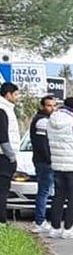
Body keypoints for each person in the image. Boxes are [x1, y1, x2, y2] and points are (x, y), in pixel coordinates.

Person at [45, 97, 73, 239]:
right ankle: (68, 229)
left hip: (57, 164)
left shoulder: (51, 120)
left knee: (58, 197)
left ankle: (55, 228)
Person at [28, 95, 57, 233]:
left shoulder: (43, 120)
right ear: (42, 106)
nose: (52, 108)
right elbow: (42, 144)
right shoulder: (42, 122)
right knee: (44, 191)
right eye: (49, 105)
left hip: (43, 161)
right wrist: (50, 160)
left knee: (45, 190)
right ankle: (40, 221)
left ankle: (41, 219)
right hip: (44, 162)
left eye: (53, 105)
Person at [0, 83, 19, 224]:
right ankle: (2, 221)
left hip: (4, 156)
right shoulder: (3, 110)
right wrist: (11, 157)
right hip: (3, 157)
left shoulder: (8, 109)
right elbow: (3, 136)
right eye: (16, 94)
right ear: (8, 94)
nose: (17, 97)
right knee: (3, 190)